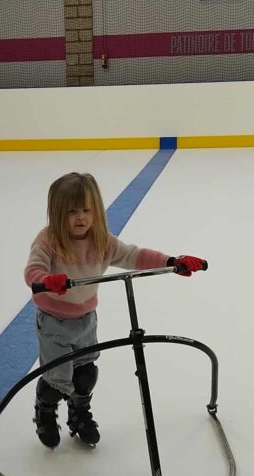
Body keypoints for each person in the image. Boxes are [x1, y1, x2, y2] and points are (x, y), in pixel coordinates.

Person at [24, 172, 205, 450]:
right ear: (57, 212)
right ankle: (45, 410)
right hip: (54, 322)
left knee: (86, 374)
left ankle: (79, 412)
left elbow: (134, 255)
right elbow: (33, 271)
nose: (81, 217)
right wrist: (46, 281)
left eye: (87, 210)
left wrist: (172, 261)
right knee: (57, 379)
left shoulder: (101, 241)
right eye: (72, 212)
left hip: (86, 320)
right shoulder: (49, 241)